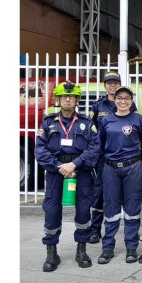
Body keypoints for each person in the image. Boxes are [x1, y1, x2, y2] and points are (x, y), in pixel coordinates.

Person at [34, 81, 101, 271]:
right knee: (52, 211)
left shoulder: (86, 124)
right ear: (58, 99)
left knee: (83, 210)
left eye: (71, 97)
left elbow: (94, 148)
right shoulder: (48, 122)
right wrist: (59, 166)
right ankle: (51, 252)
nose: (68, 99)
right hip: (56, 172)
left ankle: (81, 250)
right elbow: (40, 150)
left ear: (77, 100)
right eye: (64, 96)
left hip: (81, 171)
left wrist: (75, 164)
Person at [97, 86, 142, 265]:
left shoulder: (137, 119)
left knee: (132, 210)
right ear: (114, 100)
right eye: (119, 98)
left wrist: (136, 160)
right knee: (111, 210)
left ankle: (131, 248)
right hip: (110, 168)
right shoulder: (106, 120)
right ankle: (107, 248)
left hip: (132, 167)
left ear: (131, 101)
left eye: (127, 98)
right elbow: (100, 144)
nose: (123, 101)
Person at [87, 70, 122, 244]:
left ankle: (118, 229)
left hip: (121, 155)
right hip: (102, 157)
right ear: (105, 85)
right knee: (99, 193)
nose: (112, 85)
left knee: (119, 194)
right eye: (109, 83)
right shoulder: (98, 106)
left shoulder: (125, 103)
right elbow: (92, 132)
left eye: (115, 82)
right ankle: (95, 230)